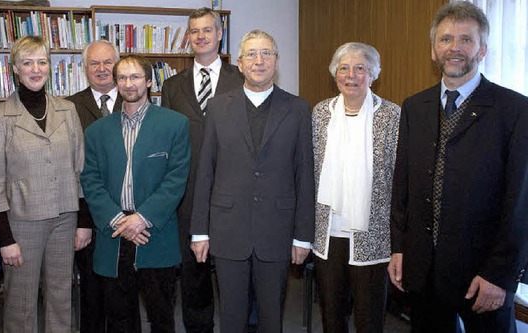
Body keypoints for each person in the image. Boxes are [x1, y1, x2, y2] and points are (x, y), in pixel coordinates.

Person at [388, 2, 528, 332]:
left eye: (466, 39)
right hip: (423, 272)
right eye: (446, 39)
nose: (455, 48)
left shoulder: (515, 110)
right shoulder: (414, 107)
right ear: (434, 50)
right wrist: (399, 249)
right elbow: (403, 186)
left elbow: (520, 204)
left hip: (482, 277)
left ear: (482, 50)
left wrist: (500, 274)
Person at [190, 29, 314, 333]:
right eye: (251, 54)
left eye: (266, 53)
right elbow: (205, 170)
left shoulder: (298, 109)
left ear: (276, 61)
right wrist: (199, 232)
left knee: (272, 317)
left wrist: (303, 236)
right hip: (228, 229)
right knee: (231, 317)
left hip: (277, 231)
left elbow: (305, 174)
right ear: (240, 64)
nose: (259, 61)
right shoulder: (218, 107)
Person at [80, 55, 190, 333]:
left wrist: (142, 218)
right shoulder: (96, 131)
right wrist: (119, 220)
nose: (129, 83)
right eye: (123, 78)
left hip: (155, 231)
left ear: (150, 81)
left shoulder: (175, 124)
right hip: (113, 234)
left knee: (161, 316)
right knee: (118, 318)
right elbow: (90, 180)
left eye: (136, 77)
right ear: (116, 83)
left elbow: (176, 179)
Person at [0, 35, 84, 332]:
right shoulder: (0, 117)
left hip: (65, 219)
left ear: (50, 67)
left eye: (42, 62)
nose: (36, 69)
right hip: (21, 225)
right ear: (15, 68)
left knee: (61, 297)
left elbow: (81, 169)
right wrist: (5, 238)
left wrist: (84, 221)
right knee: (20, 304)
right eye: (28, 63)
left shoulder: (68, 110)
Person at [160, 7, 243, 332]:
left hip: (233, 194)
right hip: (188, 195)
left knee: (234, 275)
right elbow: (166, 142)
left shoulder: (242, 78)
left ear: (220, 34)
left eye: (207, 30)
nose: (201, 36)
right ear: (189, 37)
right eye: (195, 31)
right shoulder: (171, 85)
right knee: (193, 276)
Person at [311, 42, 400, 333]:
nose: (351, 75)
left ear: (373, 74)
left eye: (360, 68)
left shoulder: (391, 116)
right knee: (332, 315)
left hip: (372, 233)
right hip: (327, 233)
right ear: (335, 73)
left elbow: (400, 178)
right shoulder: (320, 113)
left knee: (369, 316)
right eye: (344, 68)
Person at [66, 39, 123, 333]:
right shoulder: (68, 107)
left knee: (123, 292)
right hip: (86, 214)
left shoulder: (135, 100)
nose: (102, 69)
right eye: (94, 63)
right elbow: (71, 169)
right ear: (85, 68)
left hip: (128, 215)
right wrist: (81, 220)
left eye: (107, 62)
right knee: (91, 290)